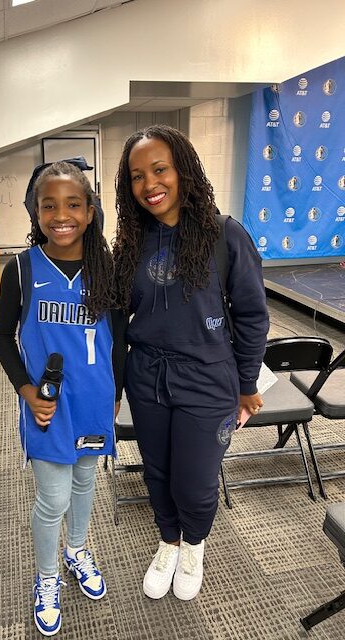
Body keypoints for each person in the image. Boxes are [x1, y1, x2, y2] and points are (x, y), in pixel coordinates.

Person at [113, 125, 269, 602]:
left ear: (182, 170)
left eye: (159, 170)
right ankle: (168, 542)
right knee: (157, 471)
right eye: (137, 176)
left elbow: (252, 315)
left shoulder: (224, 234)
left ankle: (194, 545)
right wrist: (114, 387)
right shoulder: (131, 241)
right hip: (148, 379)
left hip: (207, 378)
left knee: (196, 481)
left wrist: (246, 384)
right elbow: (119, 323)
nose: (150, 184)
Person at [0, 161, 117, 636]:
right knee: (53, 497)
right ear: (36, 212)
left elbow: (119, 339)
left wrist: (116, 397)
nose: (60, 215)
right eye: (49, 206)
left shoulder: (106, 269)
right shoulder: (22, 269)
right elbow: (4, 336)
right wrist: (27, 392)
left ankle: (77, 551)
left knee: (85, 482)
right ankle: (47, 578)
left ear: (89, 211)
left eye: (72, 204)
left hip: (95, 401)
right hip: (46, 404)